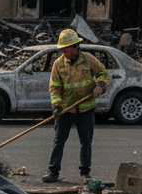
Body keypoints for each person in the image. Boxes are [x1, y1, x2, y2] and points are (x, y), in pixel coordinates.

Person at [41, 29, 109, 183]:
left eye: (68, 49)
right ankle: (53, 172)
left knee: (86, 142)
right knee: (58, 141)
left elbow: (103, 74)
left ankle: (85, 173)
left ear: (75, 47)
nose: (65, 52)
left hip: (86, 110)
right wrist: (57, 106)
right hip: (65, 110)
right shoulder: (58, 65)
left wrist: (100, 86)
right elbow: (54, 87)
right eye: (63, 49)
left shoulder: (89, 60)